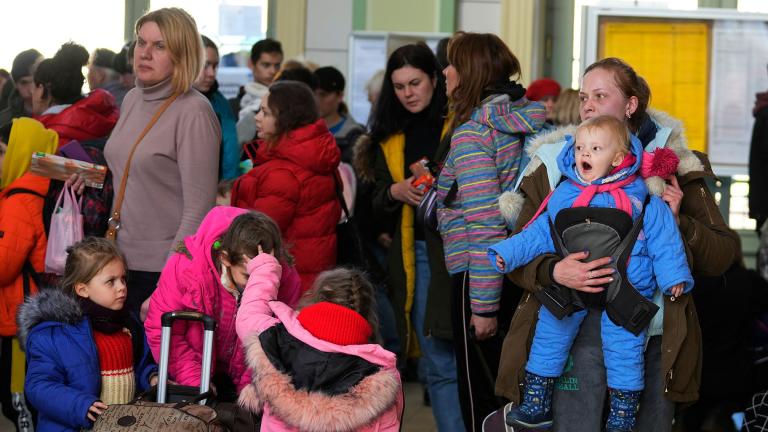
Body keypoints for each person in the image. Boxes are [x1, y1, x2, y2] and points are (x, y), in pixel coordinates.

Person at [494, 57, 741, 432]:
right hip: (571, 329)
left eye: (600, 95)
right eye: (582, 97)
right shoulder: (555, 164)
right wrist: (553, 269)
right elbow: (520, 247)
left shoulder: (675, 164)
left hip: (651, 330)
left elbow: (722, 256)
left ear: (630, 105)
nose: (587, 105)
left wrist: (680, 222)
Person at [489, 115, 693, 430]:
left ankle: (622, 415)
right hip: (569, 287)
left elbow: (664, 240)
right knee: (549, 336)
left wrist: (673, 278)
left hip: (624, 290)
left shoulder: (641, 199)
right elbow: (538, 231)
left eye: (595, 148)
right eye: (580, 147)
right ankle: (536, 401)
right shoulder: (563, 195)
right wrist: (507, 253)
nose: (584, 154)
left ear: (618, 158)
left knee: (624, 351)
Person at [436, 32, 546, 431]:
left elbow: (484, 224)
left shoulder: (472, 135)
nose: (445, 72)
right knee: (515, 393)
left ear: (469, 73)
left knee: (481, 397)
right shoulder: (530, 122)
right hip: (523, 271)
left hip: (479, 275)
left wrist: (482, 307)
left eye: (451, 64)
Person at [358, 42, 463, 431]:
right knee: (437, 360)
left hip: (463, 250)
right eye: (399, 86)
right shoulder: (386, 136)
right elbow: (366, 205)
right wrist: (394, 192)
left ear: (436, 78)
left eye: (415, 82)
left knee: (464, 359)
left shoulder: (460, 124)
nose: (408, 93)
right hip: (416, 253)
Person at [104, 7, 221, 315]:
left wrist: (169, 283)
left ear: (181, 55)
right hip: (116, 262)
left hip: (159, 270)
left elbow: (199, 209)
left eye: (159, 46)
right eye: (141, 43)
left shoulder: (194, 111)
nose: (144, 53)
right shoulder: (131, 99)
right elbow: (128, 170)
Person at [145, 207, 300, 401]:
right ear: (224, 258)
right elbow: (162, 331)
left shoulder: (283, 278)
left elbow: (275, 340)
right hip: (193, 364)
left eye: (264, 273)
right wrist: (195, 381)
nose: (256, 283)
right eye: (247, 275)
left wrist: (249, 385)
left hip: (244, 371)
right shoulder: (187, 269)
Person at [236, 260, 403, 431]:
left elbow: (250, 313)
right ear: (368, 315)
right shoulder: (379, 378)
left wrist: (265, 266)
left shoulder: (275, 340)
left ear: (316, 299)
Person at [18, 237, 157, 432]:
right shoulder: (54, 335)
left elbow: (139, 365)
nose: (122, 287)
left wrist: (151, 376)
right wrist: (79, 405)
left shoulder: (128, 325)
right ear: (82, 289)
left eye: (123, 278)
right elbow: (39, 386)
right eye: (111, 281)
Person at [230, 80, 340, 292]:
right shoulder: (313, 157)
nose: (257, 117)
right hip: (311, 279)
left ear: (285, 118)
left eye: (265, 112)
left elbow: (256, 235)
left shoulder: (283, 173)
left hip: (284, 284)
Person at [0, 118, 58, 431]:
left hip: (19, 319)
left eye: (1, 151)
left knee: (18, 400)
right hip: (43, 312)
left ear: (20, 153)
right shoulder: (44, 187)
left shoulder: (18, 201)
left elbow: (3, 266)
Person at [33, 42, 120, 147]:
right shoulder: (103, 116)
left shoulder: (42, 136)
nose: (31, 92)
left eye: (35, 86)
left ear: (43, 88)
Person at [196, 35, 240, 181]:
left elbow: (230, 150)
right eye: (205, 65)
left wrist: (228, 185)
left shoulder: (220, 102)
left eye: (215, 66)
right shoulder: (170, 102)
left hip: (219, 188)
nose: (212, 73)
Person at [313, 66, 365, 163]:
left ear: (340, 96)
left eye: (323, 94)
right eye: (313, 93)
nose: (316, 100)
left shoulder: (355, 137)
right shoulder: (302, 130)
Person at [236, 38, 283, 144]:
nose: (273, 71)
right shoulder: (235, 103)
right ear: (251, 64)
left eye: (277, 65)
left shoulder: (286, 102)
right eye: (266, 65)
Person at [0, 49, 43, 129]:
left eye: (37, 80)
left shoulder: (62, 111)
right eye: (24, 82)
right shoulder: (4, 121)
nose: (32, 90)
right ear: (15, 84)